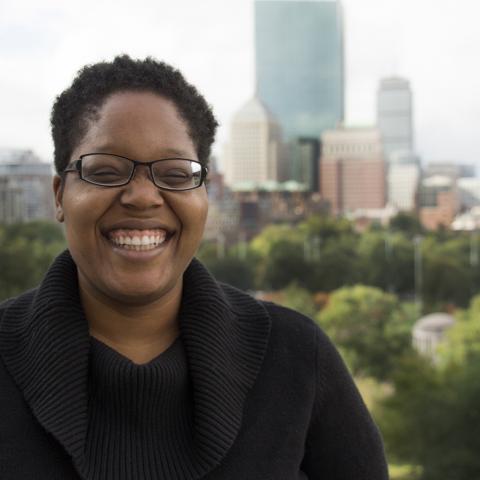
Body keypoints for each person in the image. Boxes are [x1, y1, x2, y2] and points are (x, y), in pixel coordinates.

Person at [0, 55, 389, 479]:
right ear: (59, 195)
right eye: (106, 171)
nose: (143, 197)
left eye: (174, 173)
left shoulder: (297, 359)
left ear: (204, 192)